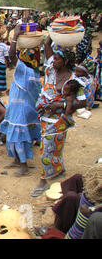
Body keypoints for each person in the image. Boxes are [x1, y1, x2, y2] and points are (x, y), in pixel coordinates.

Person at [33, 38, 87, 197]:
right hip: (45, 116)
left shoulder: (73, 80)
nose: (53, 61)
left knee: (48, 149)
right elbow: (47, 45)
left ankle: (43, 180)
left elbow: (83, 101)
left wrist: (61, 105)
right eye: (53, 58)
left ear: (65, 61)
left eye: (57, 59)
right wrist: (54, 31)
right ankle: (58, 170)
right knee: (52, 147)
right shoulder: (50, 69)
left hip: (60, 119)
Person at [0, 25, 42, 177]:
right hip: (22, 109)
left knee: (18, 137)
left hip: (20, 111)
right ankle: (17, 160)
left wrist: (15, 36)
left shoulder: (24, 69)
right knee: (17, 136)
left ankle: (24, 166)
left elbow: (11, 56)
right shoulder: (34, 73)